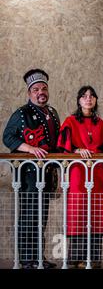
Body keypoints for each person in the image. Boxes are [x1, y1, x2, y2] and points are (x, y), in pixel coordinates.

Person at [2, 69, 60, 269]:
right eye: (36, 89)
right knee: (28, 217)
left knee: (41, 218)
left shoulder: (52, 113)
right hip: (27, 176)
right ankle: (26, 260)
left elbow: (56, 144)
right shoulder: (21, 113)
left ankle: (38, 258)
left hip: (47, 175)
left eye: (44, 88)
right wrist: (30, 148)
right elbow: (8, 137)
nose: (40, 92)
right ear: (29, 93)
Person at [57, 86, 103, 268]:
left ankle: (93, 259)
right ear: (79, 100)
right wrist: (77, 150)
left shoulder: (102, 124)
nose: (88, 99)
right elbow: (63, 148)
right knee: (78, 212)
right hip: (78, 173)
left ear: (95, 100)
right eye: (84, 96)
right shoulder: (70, 122)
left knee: (96, 213)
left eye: (92, 96)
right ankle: (77, 258)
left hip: (98, 174)